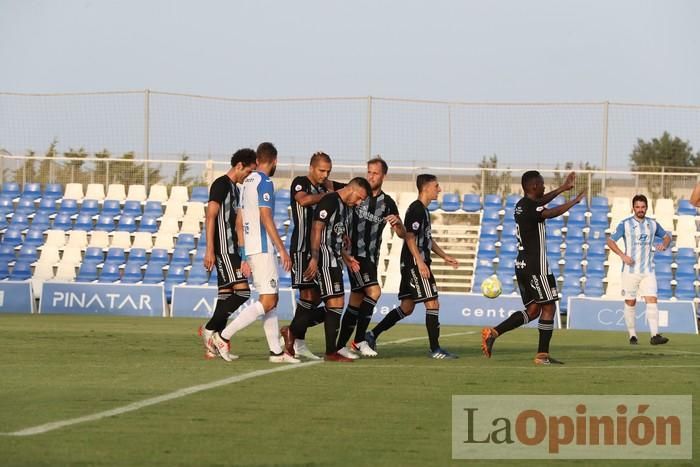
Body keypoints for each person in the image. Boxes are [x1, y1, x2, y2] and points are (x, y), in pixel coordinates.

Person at [481, 171, 584, 365]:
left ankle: (493, 333)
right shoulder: (532, 208)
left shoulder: (522, 204)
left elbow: (542, 202)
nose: (545, 187)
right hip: (537, 266)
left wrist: (563, 188)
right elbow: (550, 212)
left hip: (522, 264)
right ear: (534, 186)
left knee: (533, 309)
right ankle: (542, 355)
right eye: (543, 184)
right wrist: (574, 202)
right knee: (549, 307)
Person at [210, 142, 298, 363]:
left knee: (271, 299)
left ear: (257, 160)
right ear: (274, 161)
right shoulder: (265, 182)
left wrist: (242, 253)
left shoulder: (246, 183)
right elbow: (266, 217)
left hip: (251, 248)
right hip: (263, 247)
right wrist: (282, 249)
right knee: (268, 301)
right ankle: (222, 336)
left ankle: (276, 352)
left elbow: (239, 221)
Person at [365, 174, 460, 359]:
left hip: (414, 264)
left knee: (407, 307)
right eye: (436, 186)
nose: (439, 189)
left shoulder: (423, 210)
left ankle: (372, 334)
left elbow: (427, 240)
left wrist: (445, 256)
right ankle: (435, 349)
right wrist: (420, 262)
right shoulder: (416, 209)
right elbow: (410, 237)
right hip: (415, 265)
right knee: (433, 303)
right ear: (425, 188)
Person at [335, 157, 404, 357]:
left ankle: (340, 346)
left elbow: (400, 233)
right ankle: (359, 340)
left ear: (384, 176)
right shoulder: (356, 193)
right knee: (374, 292)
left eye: (375, 173)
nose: (371, 176)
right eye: (369, 172)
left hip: (372, 257)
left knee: (356, 300)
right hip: (355, 255)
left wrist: (398, 224)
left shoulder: (388, 203)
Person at [281, 152, 343, 360]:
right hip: (302, 249)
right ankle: (293, 339)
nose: (325, 175)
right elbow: (304, 200)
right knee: (308, 296)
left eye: (328, 171)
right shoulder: (300, 182)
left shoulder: (327, 186)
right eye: (322, 170)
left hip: (320, 250)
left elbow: (346, 189)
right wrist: (329, 195)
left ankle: (295, 336)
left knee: (317, 298)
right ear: (311, 168)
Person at [302, 177, 371, 362]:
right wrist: (315, 257)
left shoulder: (344, 207)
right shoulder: (331, 200)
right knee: (336, 304)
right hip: (325, 258)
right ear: (352, 189)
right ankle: (330, 352)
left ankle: (294, 331)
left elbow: (334, 235)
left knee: (334, 307)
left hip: (335, 259)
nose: (359, 202)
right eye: (359, 198)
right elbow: (317, 228)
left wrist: (346, 256)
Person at [198, 148, 257, 360]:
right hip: (223, 249)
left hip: (232, 249)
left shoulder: (236, 189)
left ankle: (213, 345)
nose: (248, 176)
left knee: (225, 297)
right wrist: (210, 250)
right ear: (239, 165)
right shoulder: (221, 184)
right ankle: (209, 330)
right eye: (249, 171)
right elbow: (211, 216)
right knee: (243, 293)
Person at [606, 194, 671, 345]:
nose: (640, 210)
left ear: (646, 208)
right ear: (633, 208)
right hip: (630, 271)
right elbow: (610, 241)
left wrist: (664, 245)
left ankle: (655, 335)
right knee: (630, 301)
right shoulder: (625, 224)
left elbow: (667, 236)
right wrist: (622, 255)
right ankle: (632, 335)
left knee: (652, 299)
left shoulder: (653, 224)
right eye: (637, 207)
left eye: (643, 207)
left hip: (648, 271)